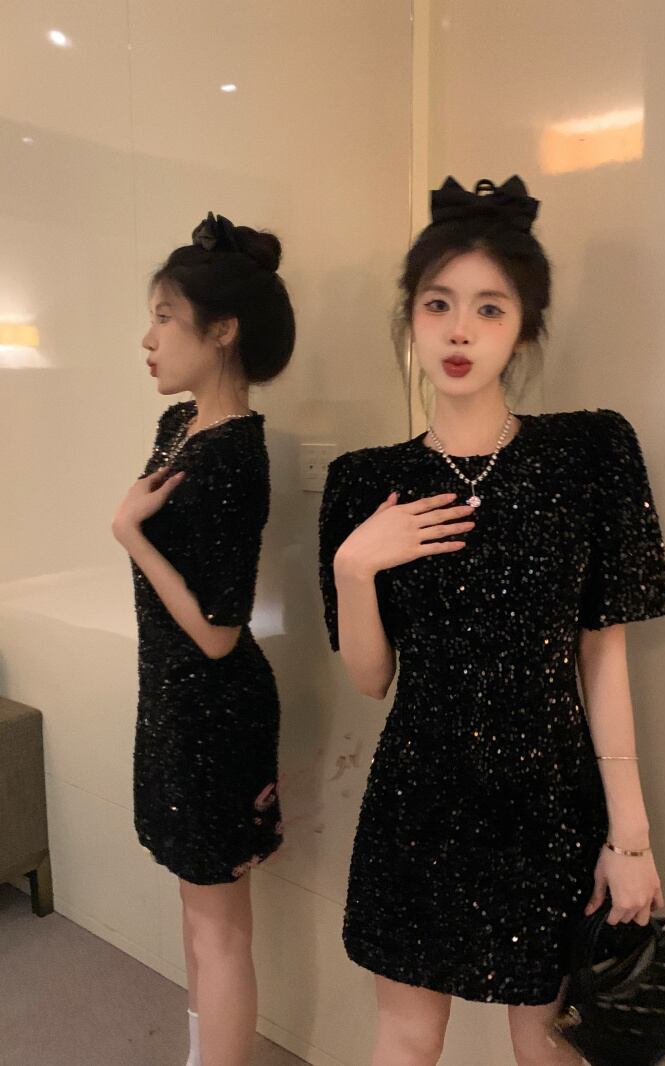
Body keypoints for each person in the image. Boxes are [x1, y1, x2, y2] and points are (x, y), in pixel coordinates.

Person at [318, 177, 665, 1066]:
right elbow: (371, 678)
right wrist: (355, 566)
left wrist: (630, 837)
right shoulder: (366, 481)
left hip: (547, 800)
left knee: (547, 1046)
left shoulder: (587, 454)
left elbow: (604, 656)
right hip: (417, 796)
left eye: (489, 307)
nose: (460, 330)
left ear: (524, 328)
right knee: (406, 1036)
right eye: (438, 304)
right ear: (411, 319)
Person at [112, 212, 294, 1066]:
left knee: (220, 929)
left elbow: (220, 634)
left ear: (222, 331)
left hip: (214, 707)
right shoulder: (180, 428)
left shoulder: (235, 456)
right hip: (174, 700)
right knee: (197, 914)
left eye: (164, 318)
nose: (148, 339)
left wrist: (131, 535)